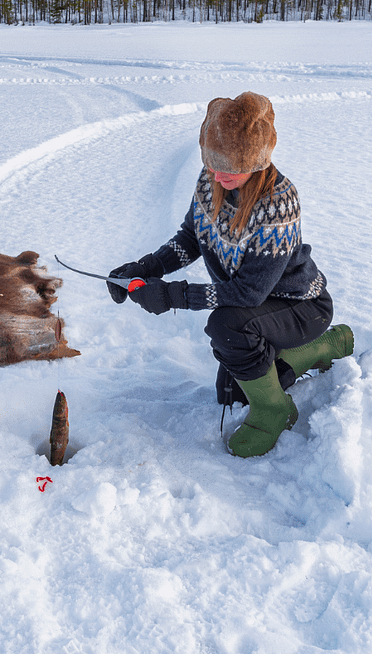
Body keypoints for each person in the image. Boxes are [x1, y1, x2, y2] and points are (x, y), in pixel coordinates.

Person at [107, 92, 353, 458]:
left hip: (301, 306)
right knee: (231, 391)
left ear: (256, 161)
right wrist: (147, 267)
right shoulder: (212, 182)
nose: (219, 176)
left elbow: (248, 293)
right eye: (212, 163)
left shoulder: (276, 204)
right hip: (260, 306)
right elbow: (192, 238)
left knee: (228, 327)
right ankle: (320, 349)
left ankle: (275, 409)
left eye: (229, 168)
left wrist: (171, 296)